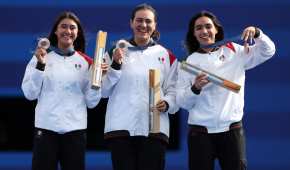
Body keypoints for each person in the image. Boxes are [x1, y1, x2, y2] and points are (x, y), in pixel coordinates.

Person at [176, 11, 275, 170]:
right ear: (194, 34)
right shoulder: (188, 63)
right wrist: (195, 88)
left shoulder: (234, 51)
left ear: (216, 30)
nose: (204, 31)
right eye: (199, 28)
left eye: (208, 26)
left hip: (232, 131)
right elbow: (182, 102)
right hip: (199, 134)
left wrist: (257, 33)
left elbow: (268, 51)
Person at [22, 11, 106, 170]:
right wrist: (40, 66)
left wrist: (97, 81)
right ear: (56, 31)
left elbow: (92, 103)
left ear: (77, 33)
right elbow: (29, 94)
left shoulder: (88, 63)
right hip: (46, 129)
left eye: (72, 28)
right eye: (63, 27)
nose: (68, 31)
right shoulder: (40, 57)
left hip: (75, 131)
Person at [101, 3, 178, 170]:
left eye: (148, 21)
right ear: (131, 23)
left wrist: (168, 102)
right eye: (139, 20)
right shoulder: (115, 51)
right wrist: (115, 64)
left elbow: (174, 90)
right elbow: (103, 91)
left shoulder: (166, 55)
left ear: (155, 25)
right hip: (121, 128)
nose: (143, 25)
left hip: (155, 130)